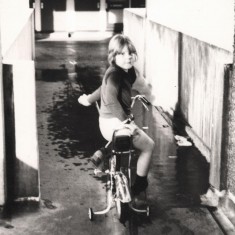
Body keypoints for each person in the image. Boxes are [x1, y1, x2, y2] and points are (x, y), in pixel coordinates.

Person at [78, 34, 155, 204]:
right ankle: (140, 183)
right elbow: (111, 101)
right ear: (113, 56)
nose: (128, 56)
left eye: (130, 53)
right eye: (122, 53)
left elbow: (102, 88)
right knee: (149, 145)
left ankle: (103, 153)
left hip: (110, 123)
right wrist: (127, 121)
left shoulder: (124, 72)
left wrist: (88, 99)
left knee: (123, 142)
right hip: (114, 122)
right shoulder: (115, 75)